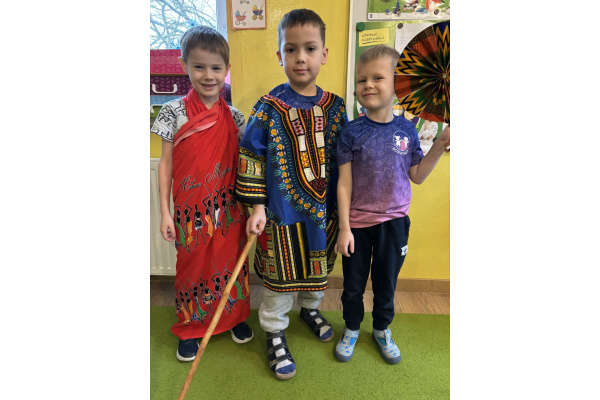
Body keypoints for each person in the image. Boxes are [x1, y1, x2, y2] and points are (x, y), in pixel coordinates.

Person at [235, 9, 347, 380]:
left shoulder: (337, 108)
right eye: (291, 49)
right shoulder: (267, 108)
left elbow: (347, 159)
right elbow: (250, 157)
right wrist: (257, 207)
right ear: (279, 55)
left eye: (310, 48)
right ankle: (274, 330)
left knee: (319, 269)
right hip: (279, 215)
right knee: (279, 280)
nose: (301, 57)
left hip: (323, 214)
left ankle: (310, 309)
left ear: (323, 54)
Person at [334, 44, 450, 364]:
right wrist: (344, 228)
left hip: (395, 224)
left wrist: (439, 144)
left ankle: (381, 329)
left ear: (397, 85)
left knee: (386, 283)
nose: (368, 85)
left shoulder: (407, 130)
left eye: (377, 78)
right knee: (353, 285)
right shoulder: (351, 132)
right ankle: (352, 327)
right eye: (362, 79)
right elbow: (344, 183)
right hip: (357, 225)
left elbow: (418, 176)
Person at [151, 25, 254, 362]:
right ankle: (191, 325)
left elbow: (246, 163)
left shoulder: (235, 117)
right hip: (190, 212)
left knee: (232, 265)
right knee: (191, 268)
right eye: (199, 67)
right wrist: (165, 213)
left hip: (229, 210)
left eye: (216, 68)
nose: (208, 76)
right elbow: (166, 164)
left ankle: (234, 318)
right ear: (184, 65)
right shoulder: (172, 112)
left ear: (227, 69)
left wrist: (255, 207)